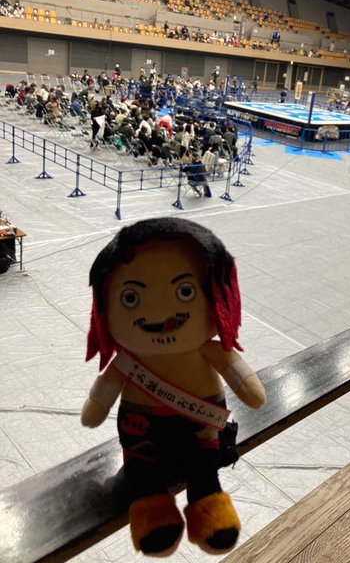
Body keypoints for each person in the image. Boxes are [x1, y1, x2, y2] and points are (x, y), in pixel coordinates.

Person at [81, 219, 266, 555]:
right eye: (131, 297)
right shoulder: (129, 361)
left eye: (185, 292)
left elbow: (245, 383)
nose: (160, 313)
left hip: (186, 430)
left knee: (202, 466)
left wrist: (96, 408)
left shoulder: (202, 350)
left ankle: (205, 497)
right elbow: (100, 398)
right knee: (143, 469)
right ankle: (153, 506)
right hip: (148, 431)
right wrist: (96, 406)